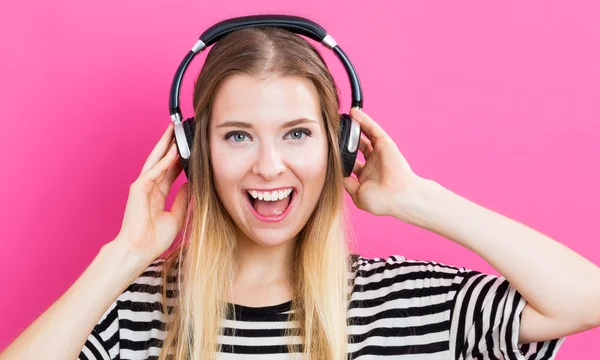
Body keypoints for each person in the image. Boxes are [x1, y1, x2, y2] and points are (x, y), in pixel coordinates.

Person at [2, 26, 599, 360]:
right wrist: (123, 256)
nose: (269, 166)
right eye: (238, 135)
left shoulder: (412, 305)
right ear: (195, 153)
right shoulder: (127, 317)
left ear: (339, 147)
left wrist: (422, 200)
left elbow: (584, 301)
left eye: (297, 133)